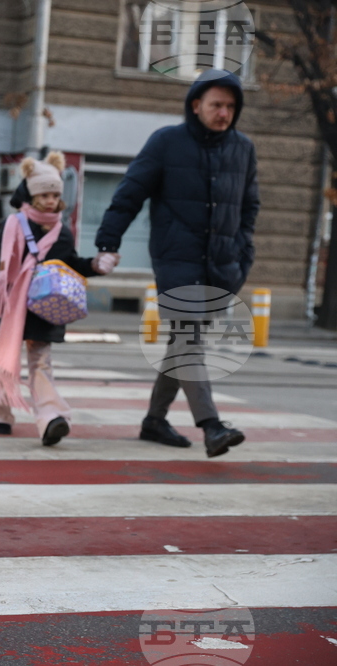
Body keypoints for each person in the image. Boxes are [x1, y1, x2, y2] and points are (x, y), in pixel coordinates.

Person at [95, 69, 258, 459]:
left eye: (230, 107)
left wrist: (242, 255)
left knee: (181, 346)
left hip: (222, 265)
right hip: (176, 260)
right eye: (217, 105)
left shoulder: (243, 148)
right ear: (195, 105)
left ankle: (154, 420)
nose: (224, 113)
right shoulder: (167, 142)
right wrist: (107, 242)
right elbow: (129, 194)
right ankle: (212, 426)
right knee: (189, 339)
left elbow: (249, 207)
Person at [0, 152, 115, 445]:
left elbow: (71, 264)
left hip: (46, 309)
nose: (50, 200)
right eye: (44, 194)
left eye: (55, 194)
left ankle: (51, 419)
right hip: (11, 306)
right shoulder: (14, 225)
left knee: (41, 364)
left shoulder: (62, 230)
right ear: (32, 194)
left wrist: (96, 266)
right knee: (4, 361)